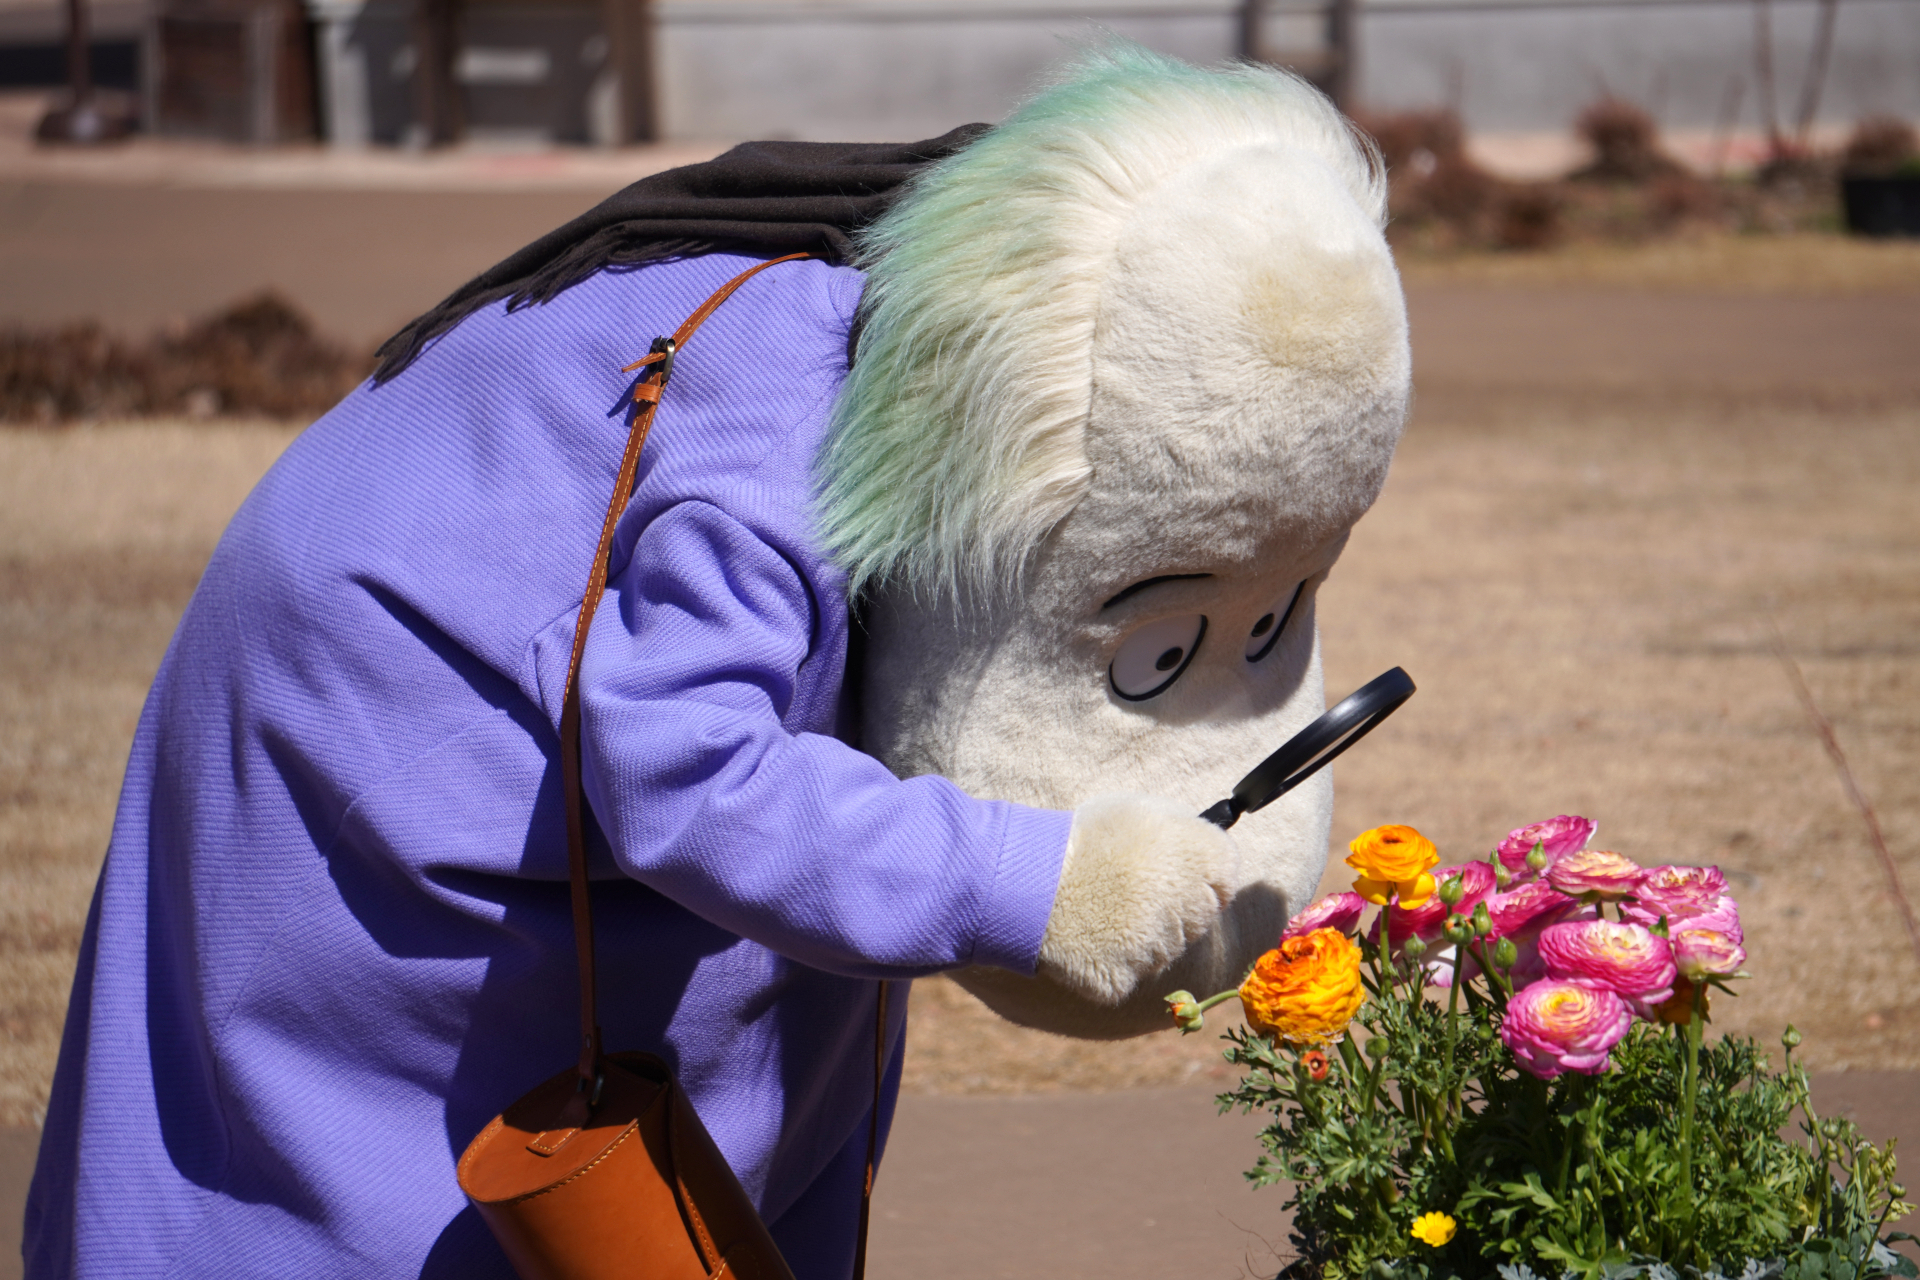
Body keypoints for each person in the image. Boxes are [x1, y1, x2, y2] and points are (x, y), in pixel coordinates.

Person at [25, 44, 1410, 1279]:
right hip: (376, 769)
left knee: (757, 1081)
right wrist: (1042, 880)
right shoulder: (778, 414)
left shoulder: (915, 351)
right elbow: (685, 776)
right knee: (373, 1184)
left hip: (513, 733)